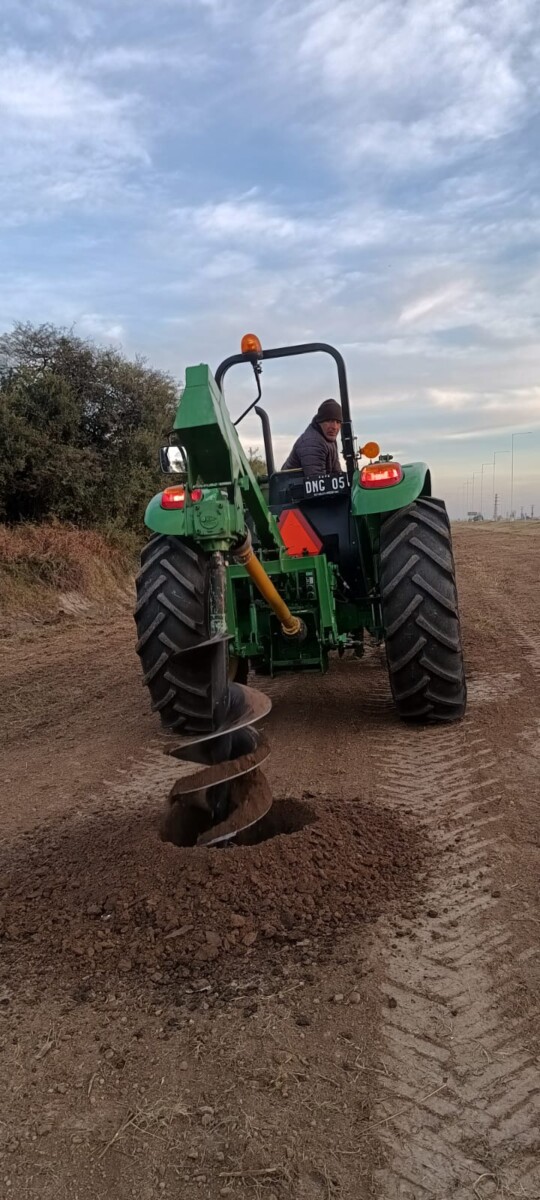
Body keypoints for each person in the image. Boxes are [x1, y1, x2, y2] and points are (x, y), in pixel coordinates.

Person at [281, 399, 343, 476]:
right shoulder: (312, 442)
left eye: (338, 422)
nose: (334, 427)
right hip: (292, 486)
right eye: (329, 421)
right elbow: (317, 481)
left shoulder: (329, 439)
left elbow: (337, 474)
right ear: (320, 421)